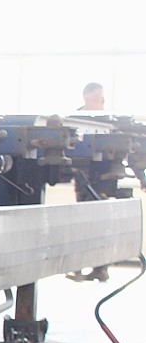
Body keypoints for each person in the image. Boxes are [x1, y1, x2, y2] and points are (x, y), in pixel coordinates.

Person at [69, 81, 113, 282]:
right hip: (85, 179)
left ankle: (101, 267)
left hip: (104, 178)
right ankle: (77, 268)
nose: (103, 102)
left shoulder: (108, 121)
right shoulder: (75, 121)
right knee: (83, 224)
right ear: (87, 98)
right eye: (99, 98)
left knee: (103, 224)